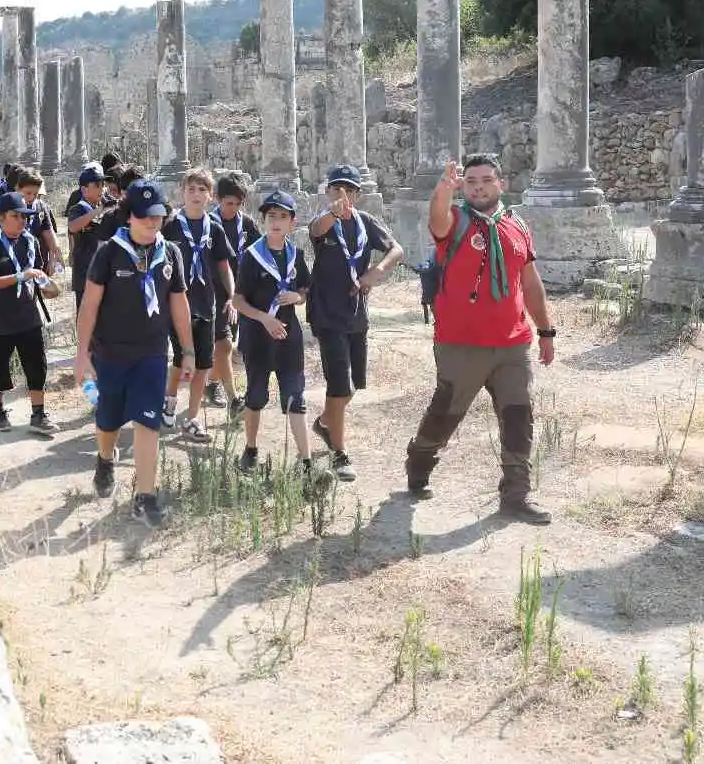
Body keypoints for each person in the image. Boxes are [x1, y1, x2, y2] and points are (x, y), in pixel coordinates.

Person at [404, 155, 558, 525]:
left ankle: (516, 496)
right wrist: (444, 188)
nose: (478, 186)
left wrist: (546, 330)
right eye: (470, 180)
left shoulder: (517, 224)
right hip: (461, 342)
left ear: (500, 184)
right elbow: (436, 218)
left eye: (486, 179)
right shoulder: (455, 221)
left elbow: (531, 283)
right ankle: (420, 461)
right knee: (446, 414)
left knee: (519, 416)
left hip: (512, 343)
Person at [75, 180, 195, 528]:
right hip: (110, 353)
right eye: (144, 217)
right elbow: (89, 305)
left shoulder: (170, 253)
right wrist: (82, 355)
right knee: (108, 419)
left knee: (148, 421)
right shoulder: (109, 253)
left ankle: (146, 496)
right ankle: (105, 459)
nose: (152, 223)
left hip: (152, 354)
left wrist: (187, 350)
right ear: (129, 218)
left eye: (156, 216)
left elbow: (179, 304)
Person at [306, 165, 403, 482]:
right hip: (326, 314)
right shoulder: (325, 222)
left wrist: (376, 272)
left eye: (349, 190)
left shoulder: (366, 223)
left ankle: (324, 422)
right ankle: (339, 453)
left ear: (359, 195)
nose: (342, 195)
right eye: (336, 189)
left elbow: (396, 249)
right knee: (339, 385)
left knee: (353, 387)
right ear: (328, 192)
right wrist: (333, 214)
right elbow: (316, 231)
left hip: (356, 314)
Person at [232, 191, 317, 491]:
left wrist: (298, 296)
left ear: (293, 223)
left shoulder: (295, 254)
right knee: (255, 396)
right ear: (263, 220)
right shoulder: (252, 256)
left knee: (296, 397)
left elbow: (306, 290)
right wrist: (264, 318)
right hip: (258, 337)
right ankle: (251, 448)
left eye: (283, 217)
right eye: (271, 216)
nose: (276, 222)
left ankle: (306, 463)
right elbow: (237, 301)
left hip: (289, 337)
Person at [159, 167, 237, 445]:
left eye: (202, 190)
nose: (196, 194)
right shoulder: (170, 225)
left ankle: (191, 418)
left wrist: (232, 295)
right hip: (178, 304)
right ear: (182, 192)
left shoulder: (213, 228)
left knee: (204, 364)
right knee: (182, 358)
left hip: (207, 304)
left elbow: (223, 265)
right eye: (191, 189)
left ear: (211, 196)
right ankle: (169, 400)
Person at [0, 192, 57, 436]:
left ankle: (38, 413)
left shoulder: (31, 242)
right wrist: (19, 277)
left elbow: (41, 276)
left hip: (28, 315)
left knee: (37, 366)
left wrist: (47, 284)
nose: (22, 220)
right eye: (16, 216)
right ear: (0, 218)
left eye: (25, 216)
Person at [210, 174, 261, 413]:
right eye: (229, 203)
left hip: (240, 292)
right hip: (214, 290)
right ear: (218, 200)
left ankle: (211, 382)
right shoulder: (209, 223)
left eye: (238, 204)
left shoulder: (247, 224)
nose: (233, 208)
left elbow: (260, 251)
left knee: (227, 344)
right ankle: (231, 397)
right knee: (225, 344)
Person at [66, 165, 113, 309]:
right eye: (97, 185)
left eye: (103, 185)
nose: (102, 189)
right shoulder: (78, 209)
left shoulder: (107, 206)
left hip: (105, 272)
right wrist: (98, 211)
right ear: (84, 189)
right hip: (84, 274)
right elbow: (73, 227)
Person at [12, 167, 64, 277]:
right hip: (12, 260)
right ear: (18, 188)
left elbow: (50, 235)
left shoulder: (41, 207)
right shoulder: (8, 205)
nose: (32, 197)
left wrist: (56, 255)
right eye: (28, 193)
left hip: (34, 261)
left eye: (35, 194)